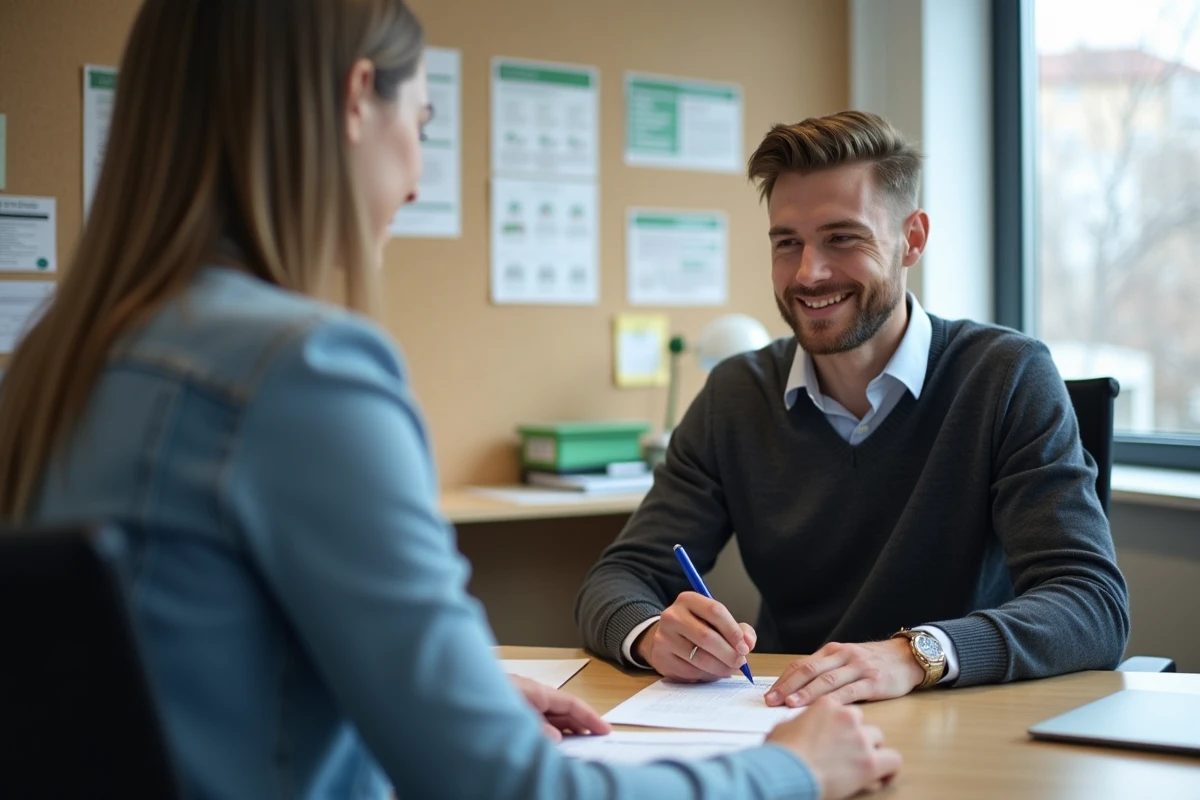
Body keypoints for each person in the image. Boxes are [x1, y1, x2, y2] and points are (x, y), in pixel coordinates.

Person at [0, 2, 901, 798]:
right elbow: (503, 788)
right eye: (423, 123)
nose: (418, 180)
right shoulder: (304, 372)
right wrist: (793, 769)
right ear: (358, 99)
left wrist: (426, 692)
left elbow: (178, 668)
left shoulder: (56, 363)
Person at [576, 110, 1130, 709]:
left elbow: (1090, 602)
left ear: (911, 239)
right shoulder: (735, 394)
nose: (809, 273)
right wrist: (654, 633)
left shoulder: (1005, 376)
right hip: (784, 719)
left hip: (960, 717)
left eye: (843, 238)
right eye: (788, 243)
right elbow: (617, 579)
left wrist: (912, 656)